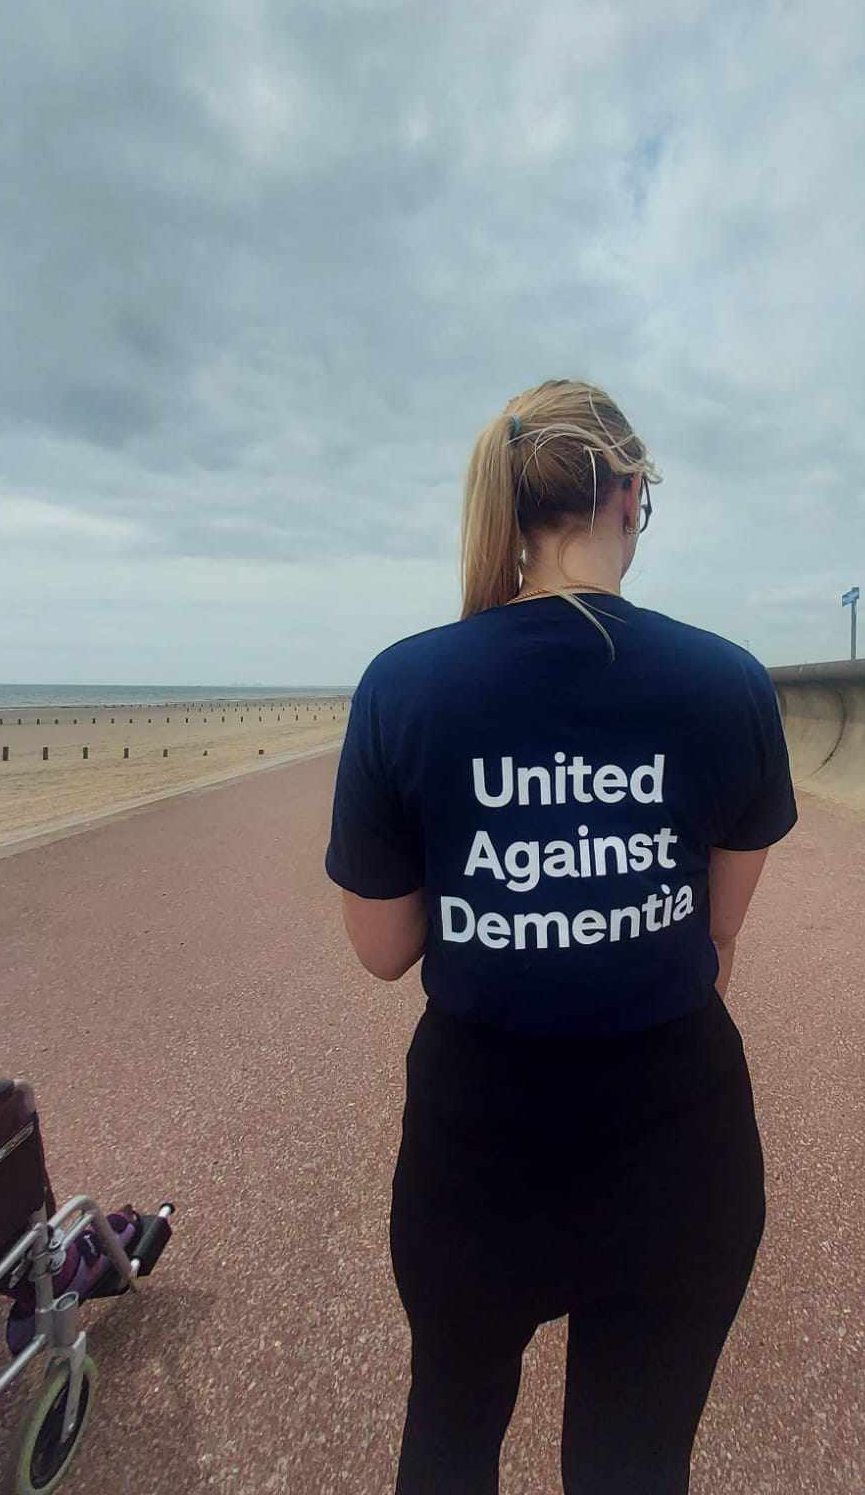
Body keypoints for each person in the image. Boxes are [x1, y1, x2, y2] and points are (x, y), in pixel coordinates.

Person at [325, 380, 797, 1495]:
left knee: (449, 1439)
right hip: (681, 1144)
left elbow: (382, 946)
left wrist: (498, 873)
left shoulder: (405, 685)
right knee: (633, 1469)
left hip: (477, 1150)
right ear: (628, 497)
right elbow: (716, 936)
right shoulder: (729, 682)